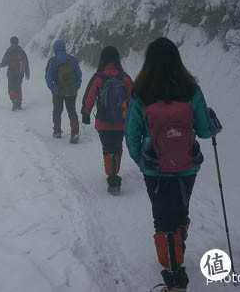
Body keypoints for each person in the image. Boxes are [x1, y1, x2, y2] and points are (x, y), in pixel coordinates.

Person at [124, 37, 217, 292]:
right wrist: (212, 121)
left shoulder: (141, 93)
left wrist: (141, 160)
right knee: (179, 210)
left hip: (155, 168)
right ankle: (178, 244)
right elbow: (206, 131)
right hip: (187, 167)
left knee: (162, 220)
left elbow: (131, 134)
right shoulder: (191, 90)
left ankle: (175, 278)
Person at [80, 46, 133, 195]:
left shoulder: (99, 77)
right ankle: (114, 172)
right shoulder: (124, 78)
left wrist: (86, 113)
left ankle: (112, 178)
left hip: (103, 122)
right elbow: (134, 99)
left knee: (107, 148)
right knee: (117, 147)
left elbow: (89, 96)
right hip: (121, 122)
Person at [44, 39, 82, 142]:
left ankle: (57, 131)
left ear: (55, 49)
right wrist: (76, 87)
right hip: (71, 91)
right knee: (72, 111)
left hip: (58, 92)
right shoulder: (72, 60)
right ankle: (75, 133)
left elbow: (48, 78)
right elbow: (79, 74)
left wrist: (53, 88)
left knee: (57, 111)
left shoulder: (53, 61)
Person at [0, 36, 30, 111]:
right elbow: (26, 62)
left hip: (11, 72)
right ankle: (19, 102)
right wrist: (27, 73)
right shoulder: (21, 51)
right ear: (17, 42)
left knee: (11, 87)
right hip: (20, 73)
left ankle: (14, 101)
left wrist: (0, 65)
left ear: (11, 42)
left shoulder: (9, 51)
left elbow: (5, 62)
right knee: (18, 87)